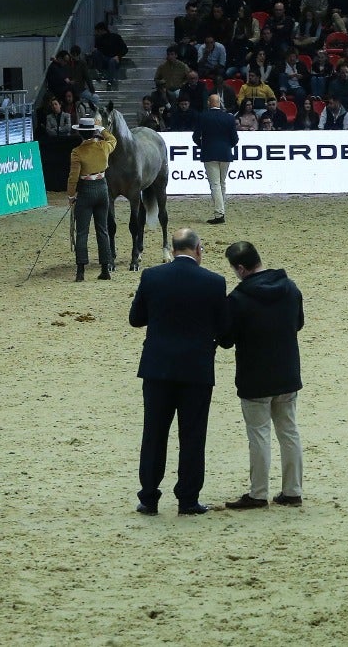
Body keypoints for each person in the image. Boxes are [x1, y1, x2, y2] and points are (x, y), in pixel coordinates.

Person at [129, 228, 228, 516]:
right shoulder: (214, 282)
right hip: (196, 370)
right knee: (193, 435)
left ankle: (148, 497)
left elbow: (136, 319)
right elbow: (224, 332)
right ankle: (187, 498)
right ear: (199, 248)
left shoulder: (151, 276)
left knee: (154, 434)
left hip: (157, 368)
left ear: (173, 250)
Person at [218, 241, 305, 510]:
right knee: (288, 431)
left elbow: (226, 340)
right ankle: (292, 490)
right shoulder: (289, 287)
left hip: (255, 375)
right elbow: (298, 323)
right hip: (286, 370)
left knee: (259, 435)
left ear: (241, 268)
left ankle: (258, 493)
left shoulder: (238, 299)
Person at [66, 114, 117, 282]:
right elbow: (113, 139)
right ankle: (105, 268)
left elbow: (73, 177)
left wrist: (71, 195)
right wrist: (102, 128)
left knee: (82, 231)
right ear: (94, 132)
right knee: (102, 230)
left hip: (86, 190)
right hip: (102, 187)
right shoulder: (104, 146)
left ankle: (80, 271)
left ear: (80, 133)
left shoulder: (77, 152)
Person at [192, 94, 238, 225]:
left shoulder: (203, 116)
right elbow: (235, 139)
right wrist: (227, 146)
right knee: (222, 183)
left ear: (209, 103)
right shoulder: (229, 118)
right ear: (219, 103)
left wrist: (203, 146)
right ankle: (221, 210)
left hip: (209, 153)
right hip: (225, 153)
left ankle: (219, 213)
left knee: (215, 185)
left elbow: (196, 137)